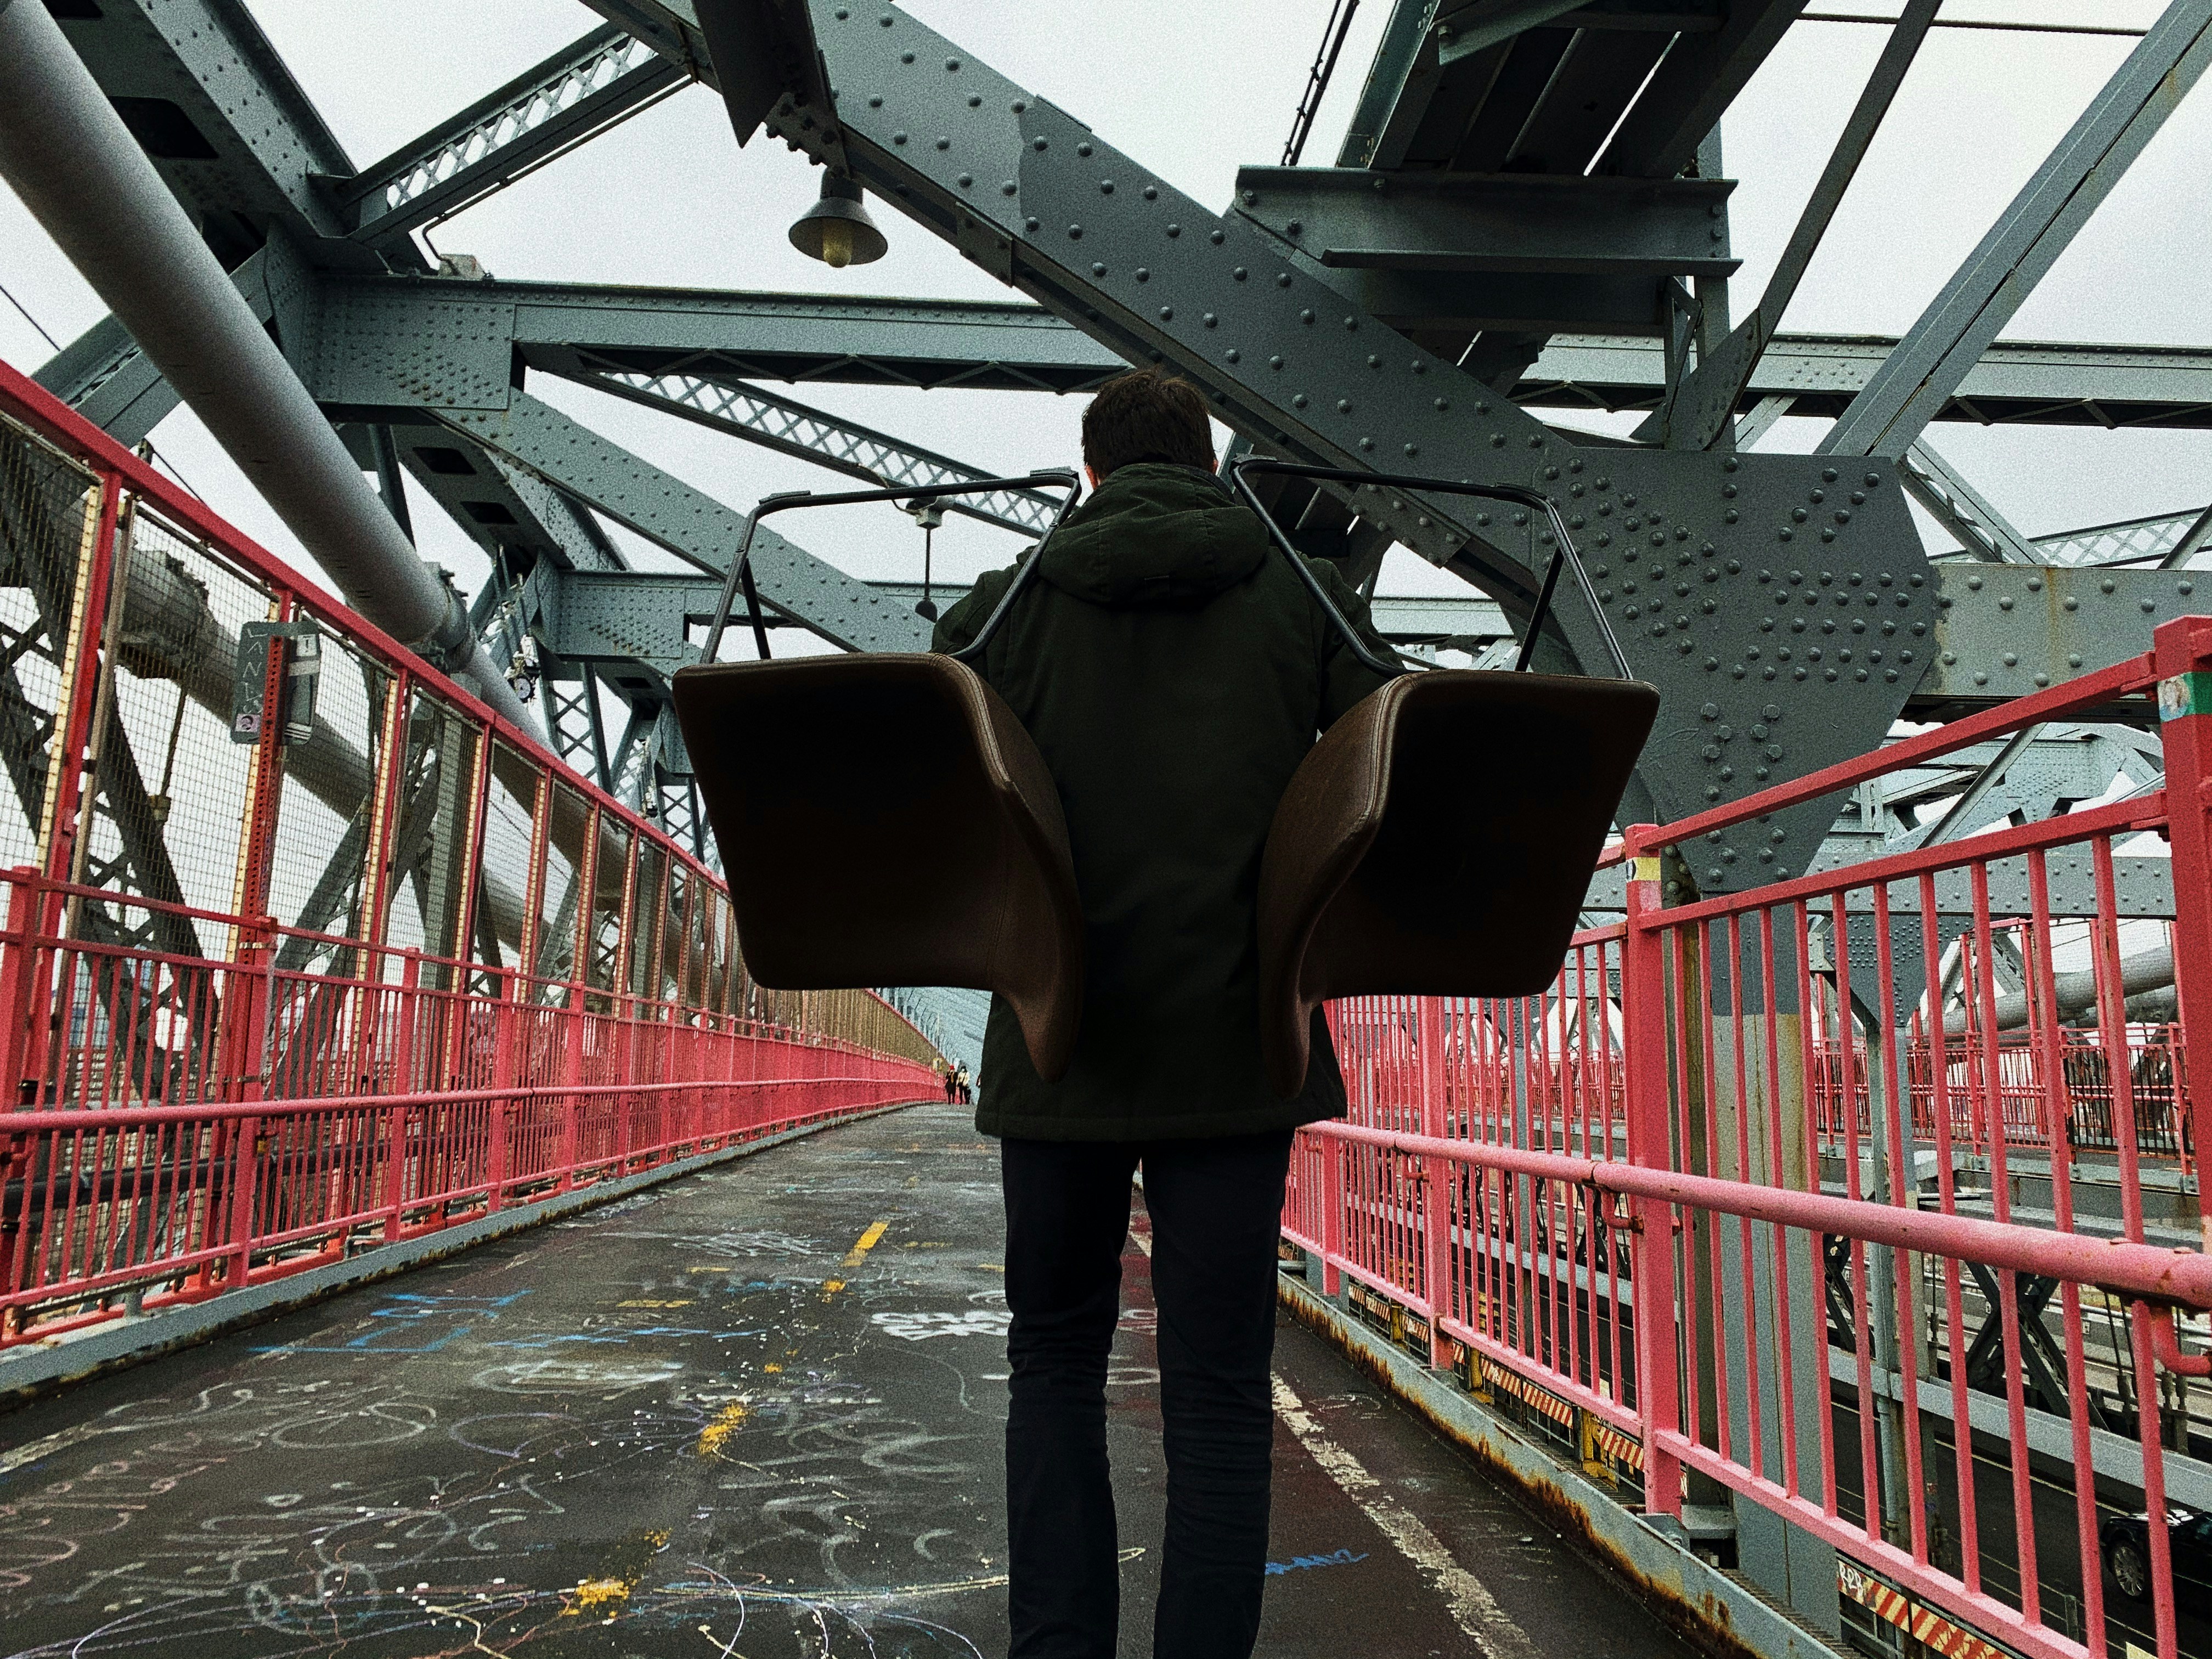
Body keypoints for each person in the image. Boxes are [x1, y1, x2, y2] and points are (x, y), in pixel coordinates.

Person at [932, 366, 1392, 1659]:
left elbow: (927, 763)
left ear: (1091, 472)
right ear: (1205, 466)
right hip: (1240, 1051)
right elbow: (1396, 749)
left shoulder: (1010, 601)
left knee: (1054, 1363)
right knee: (1220, 1394)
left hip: (1058, 1044)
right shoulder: (1300, 595)